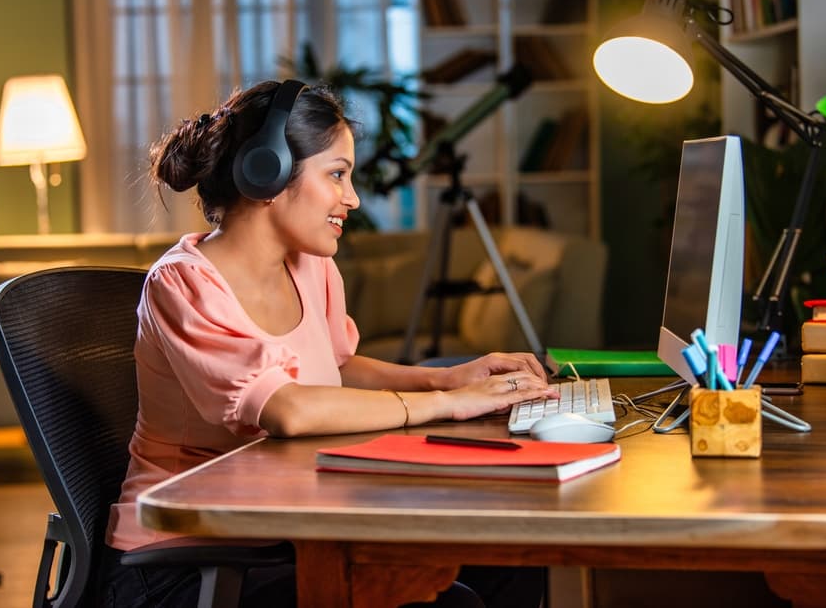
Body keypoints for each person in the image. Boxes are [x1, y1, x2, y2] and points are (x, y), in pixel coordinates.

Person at [98, 79, 557, 608]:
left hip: (284, 533)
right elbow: (287, 409)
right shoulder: (182, 284)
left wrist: (449, 377)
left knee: (512, 559)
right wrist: (447, 404)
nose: (353, 199)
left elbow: (338, 368)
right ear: (264, 171)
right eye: (337, 175)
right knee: (455, 603)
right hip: (187, 568)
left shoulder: (311, 266)